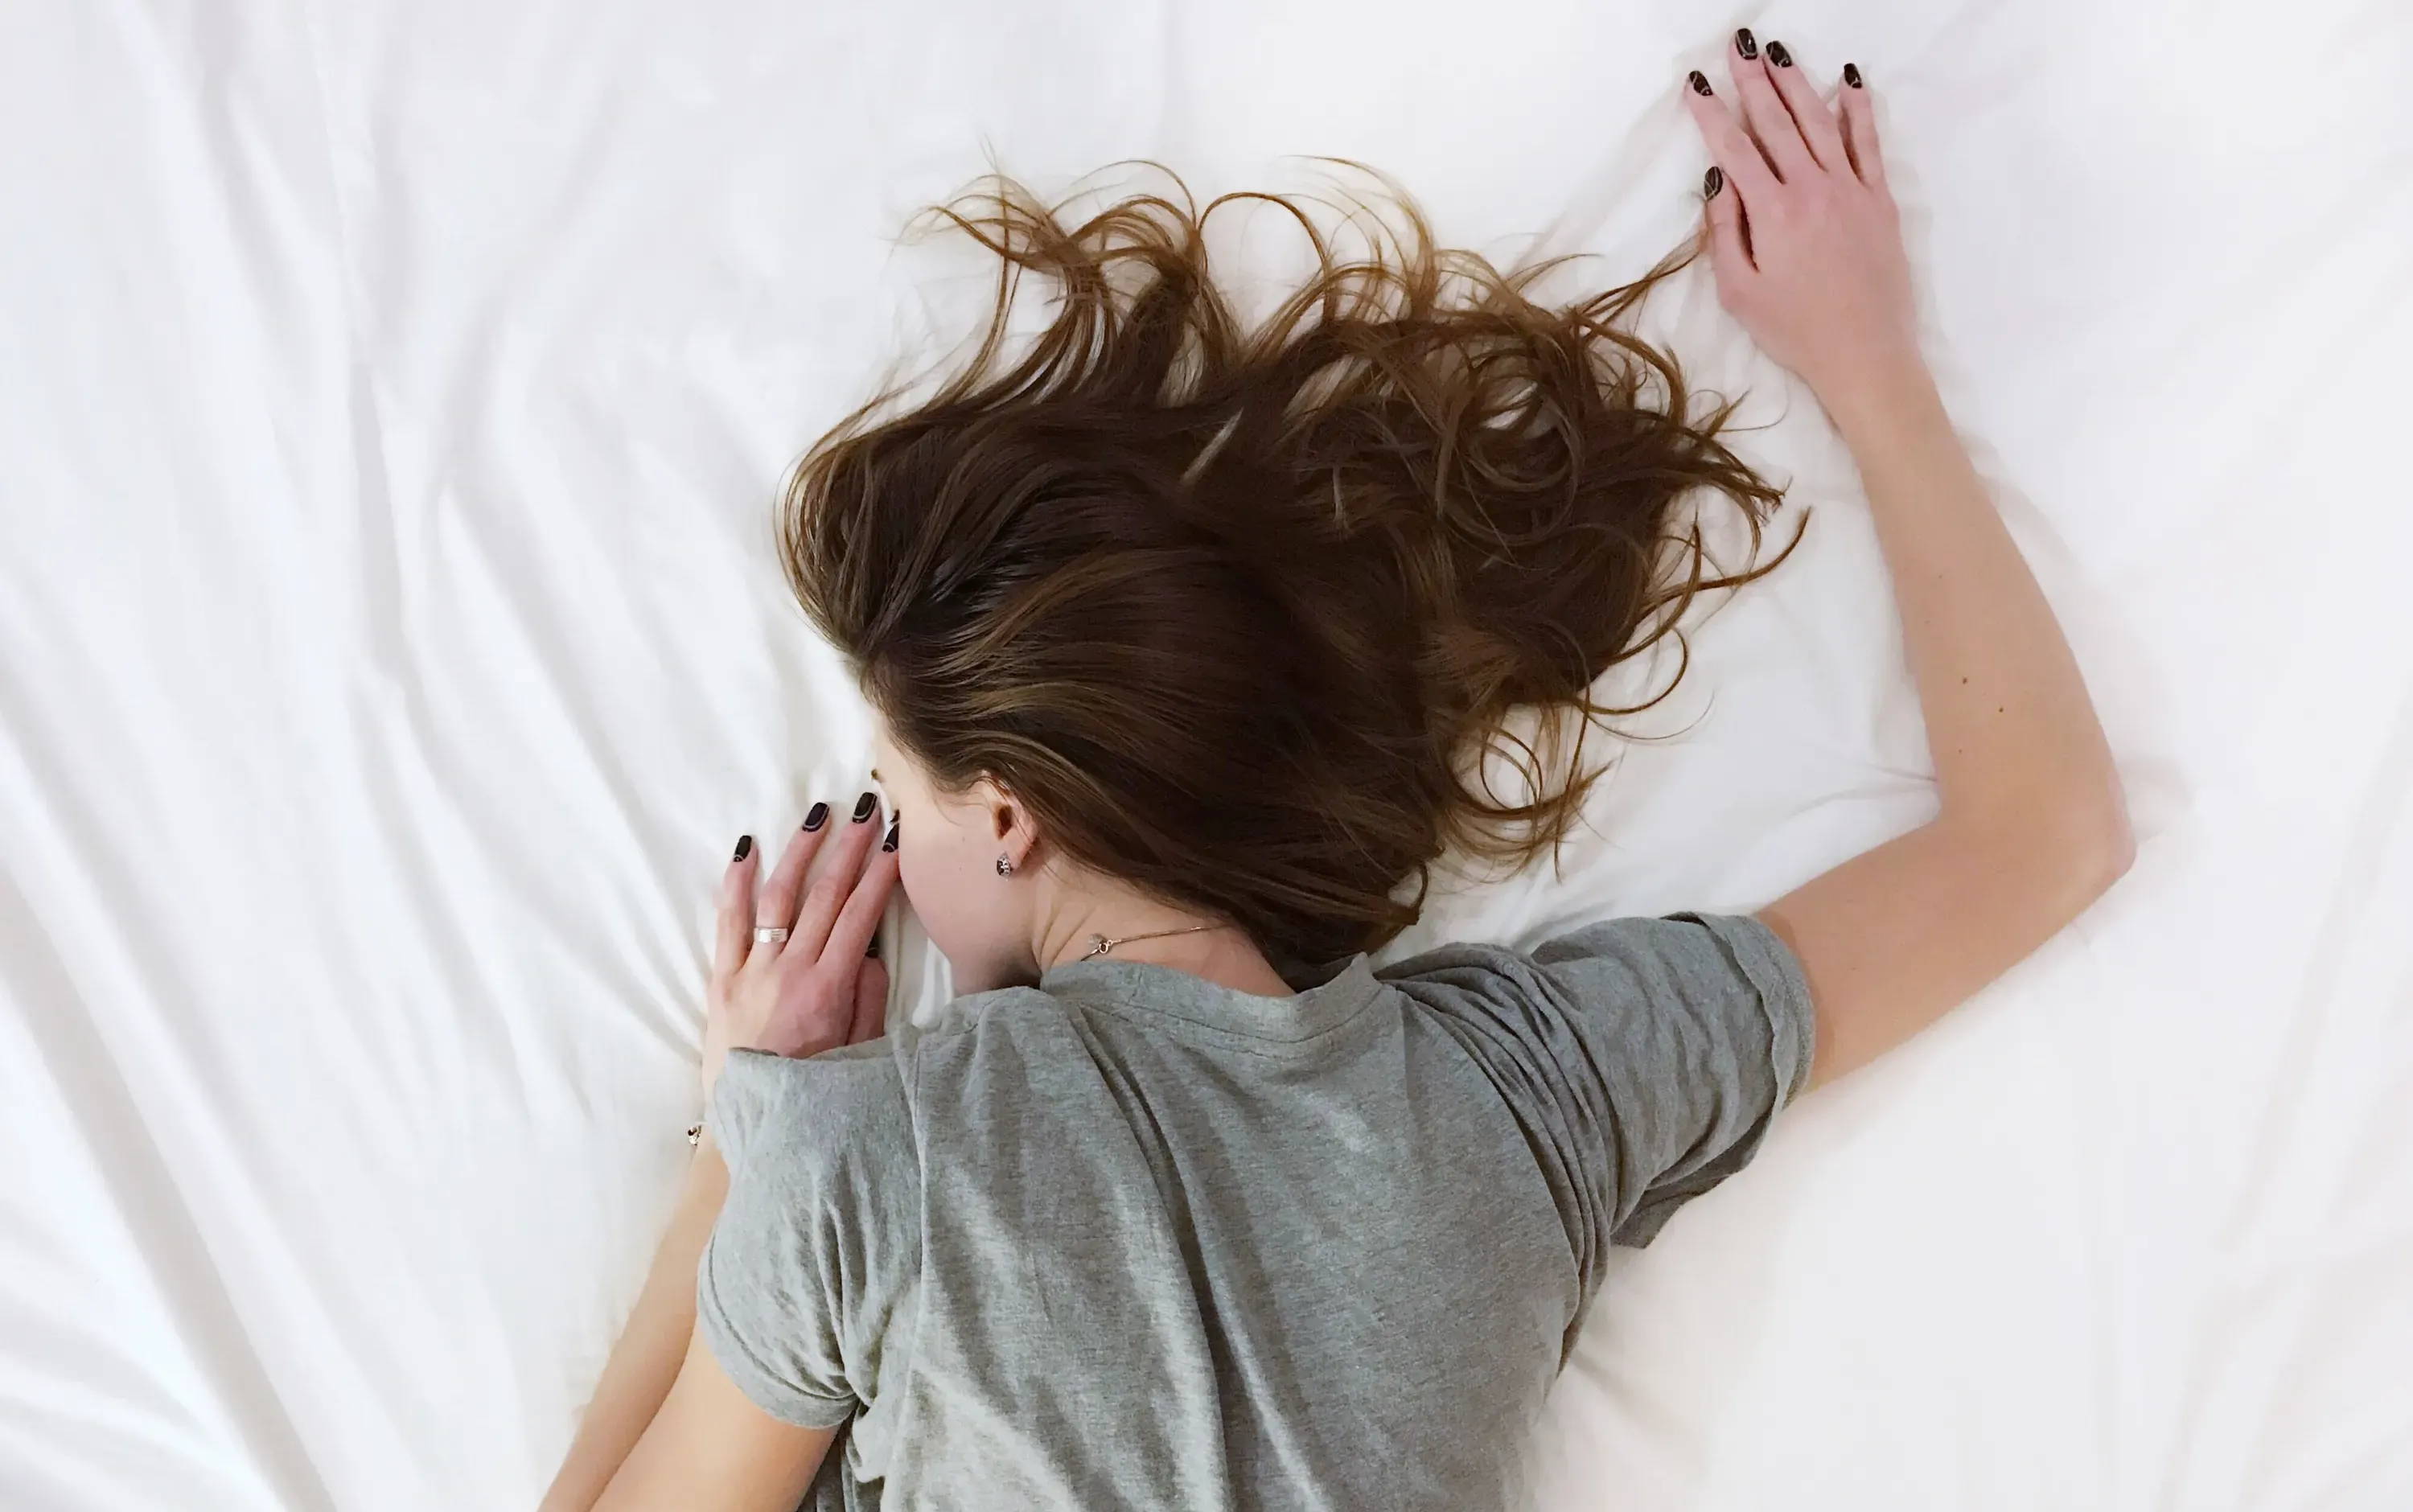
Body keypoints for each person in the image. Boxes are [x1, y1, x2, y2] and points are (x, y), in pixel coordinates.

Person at [544, 31, 2131, 1512]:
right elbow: (2046, 832)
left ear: (1014, 815)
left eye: (899, 803)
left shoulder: (862, 1162)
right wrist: (1867, 364)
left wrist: (739, 1133)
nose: (889, 852)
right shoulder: (1533, 1092)